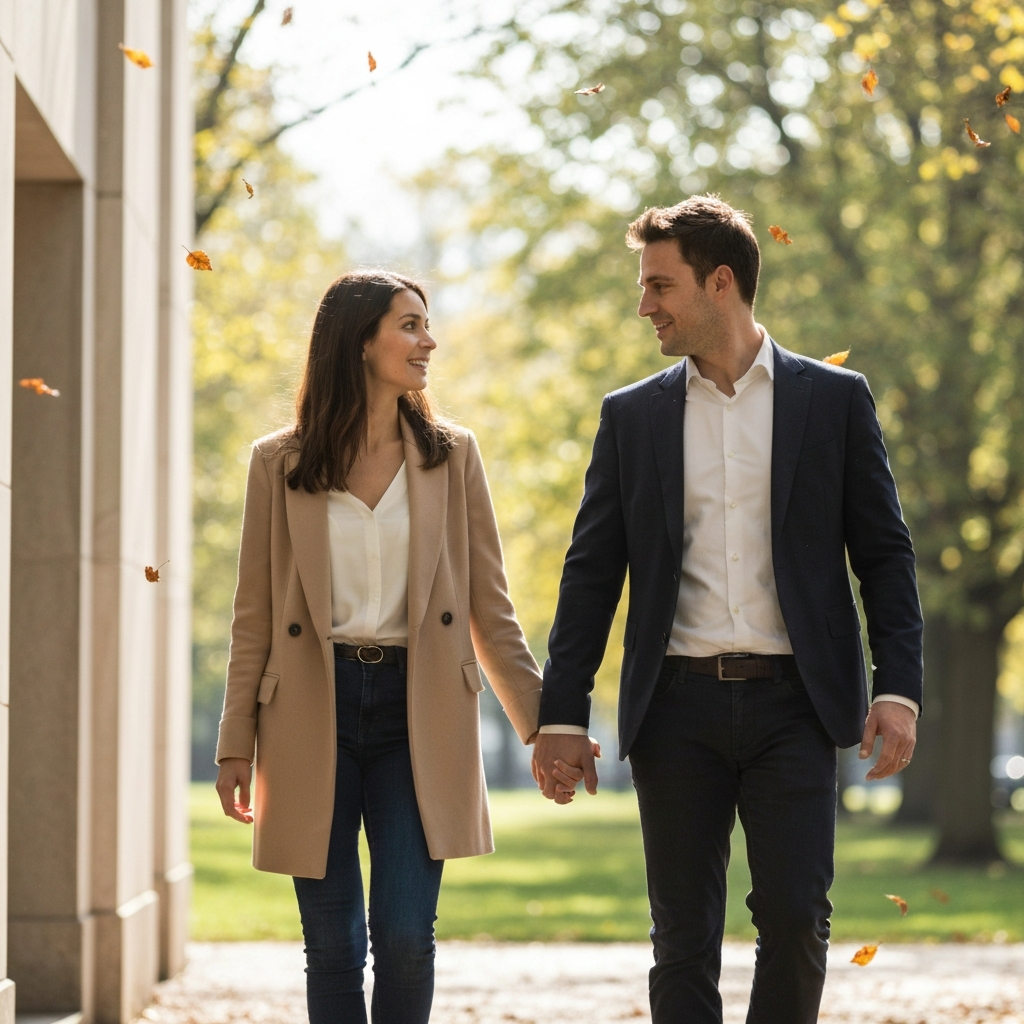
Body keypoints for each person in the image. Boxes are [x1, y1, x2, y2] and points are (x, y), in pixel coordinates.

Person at [532, 196, 923, 1024]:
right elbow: (590, 573)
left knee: (795, 919)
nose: (645, 307)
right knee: (682, 935)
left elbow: (884, 556)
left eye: (659, 286)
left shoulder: (835, 401)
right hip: (675, 707)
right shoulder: (630, 416)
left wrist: (898, 687)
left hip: (797, 704)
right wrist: (560, 713)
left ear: (720, 283)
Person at [214, 270, 555, 1024]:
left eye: (425, 326)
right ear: (359, 341)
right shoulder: (278, 463)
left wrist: (545, 728)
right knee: (332, 943)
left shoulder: (452, 456)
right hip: (311, 712)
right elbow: (255, 619)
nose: (427, 341)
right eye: (409, 325)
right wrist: (235, 742)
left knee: (405, 937)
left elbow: (490, 611)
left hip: (417, 713)